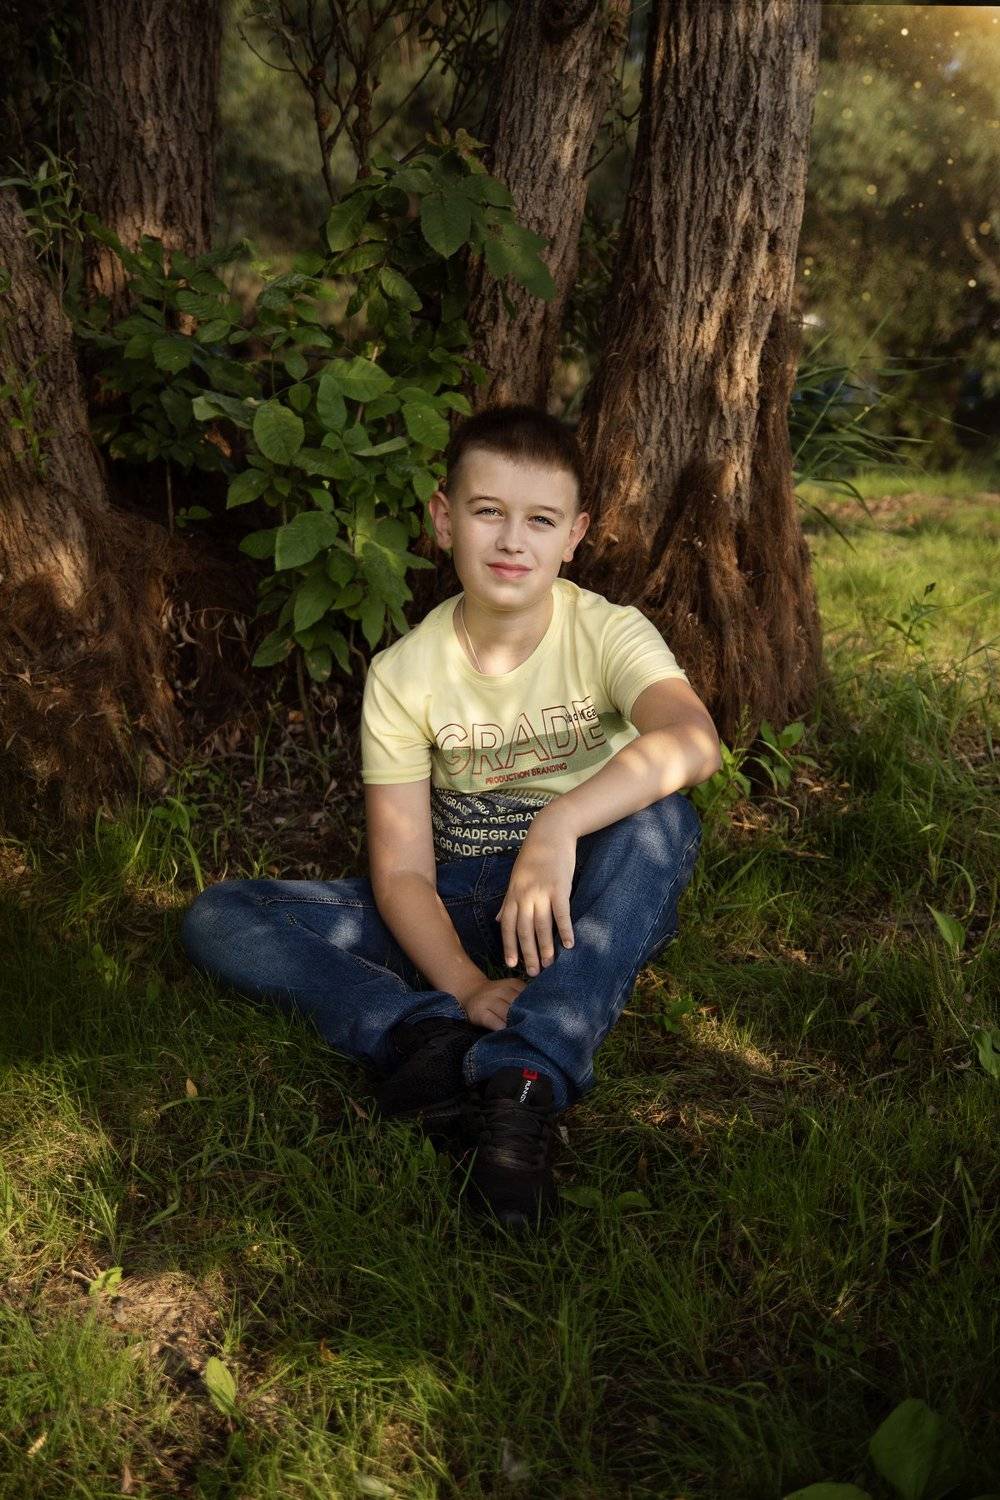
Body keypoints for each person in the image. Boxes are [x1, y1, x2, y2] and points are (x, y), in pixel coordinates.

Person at [180, 403, 721, 1231]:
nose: (512, 540)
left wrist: (558, 826)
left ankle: (523, 1081)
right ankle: (425, 1035)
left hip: (578, 898)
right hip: (459, 903)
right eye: (487, 511)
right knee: (223, 915)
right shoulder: (406, 673)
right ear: (443, 519)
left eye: (540, 520)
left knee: (664, 824)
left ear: (574, 536)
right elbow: (402, 872)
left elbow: (692, 739)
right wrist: (465, 984)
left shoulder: (607, 632)